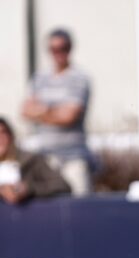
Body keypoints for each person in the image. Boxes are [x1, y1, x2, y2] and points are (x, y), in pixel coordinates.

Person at [21, 28, 92, 197]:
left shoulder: (79, 77)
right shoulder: (39, 77)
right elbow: (25, 111)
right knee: (49, 210)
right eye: (54, 49)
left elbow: (69, 117)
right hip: (46, 158)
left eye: (64, 48)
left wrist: (42, 110)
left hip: (74, 158)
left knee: (79, 208)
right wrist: (56, 111)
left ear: (71, 48)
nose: (59, 53)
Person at [0, 117, 71, 204]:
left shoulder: (32, 160)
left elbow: (61, 185)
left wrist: (29, 189)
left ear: (11, 136)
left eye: (3, 133)